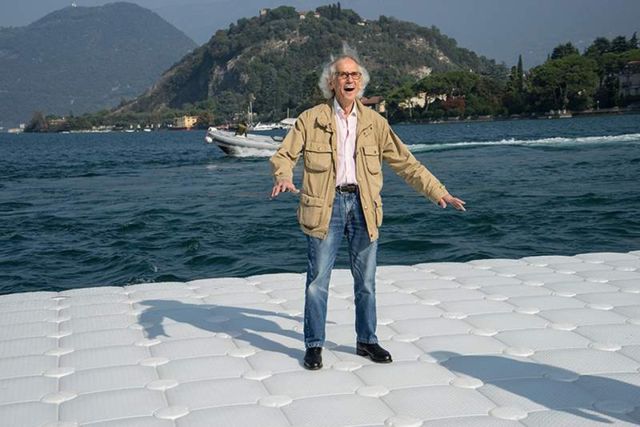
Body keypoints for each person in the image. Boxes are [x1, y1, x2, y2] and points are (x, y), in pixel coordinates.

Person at [269, 49, 466, 370]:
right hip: (324, 206)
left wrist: (438, 191)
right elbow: (284, 155)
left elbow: (406, 163)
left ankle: (366, 340)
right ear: (331, 83)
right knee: (318, 280)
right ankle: (314, 344)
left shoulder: (376, 123)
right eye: (343, 75)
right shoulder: (311, 119)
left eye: (355, 75)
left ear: (360, 83)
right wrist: (283, 176)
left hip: (364, 207)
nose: (350, 80)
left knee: (367, 282)